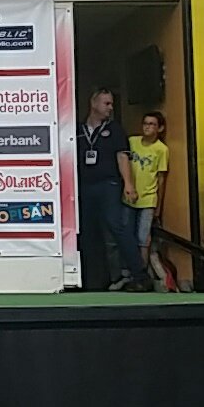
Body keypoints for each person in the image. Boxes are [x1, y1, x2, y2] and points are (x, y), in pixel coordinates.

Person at [77, 88, 152, 292]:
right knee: (87, 232)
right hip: (85, 186)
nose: (110, 108)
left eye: (111, 104)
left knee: (117, 227)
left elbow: (122, 157)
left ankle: (140, 276)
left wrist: (128, 184)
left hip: (108, 185)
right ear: (93, 103)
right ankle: (92, 281)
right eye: (106, 103)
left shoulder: (115, 130)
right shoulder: (77, 130)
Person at [126, 111, 169, 265]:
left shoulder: (161, 149)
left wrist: (158, 206)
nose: (147, 127)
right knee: (126, 235)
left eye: (152, 124)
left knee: (143, 238)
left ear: (160, 128)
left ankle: (142, 271)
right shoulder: (132, 142)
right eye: (145, 123)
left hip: (148, 199)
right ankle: (127, 270)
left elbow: (161, 178)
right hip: (128, 197)